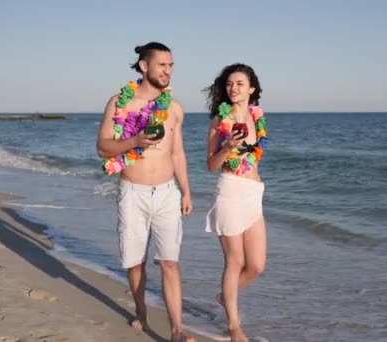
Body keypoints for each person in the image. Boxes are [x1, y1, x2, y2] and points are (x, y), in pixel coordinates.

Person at [96, 42, 195, 342]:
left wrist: (186, 191)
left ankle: (177, 330)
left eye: (171, 65)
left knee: (169, 261)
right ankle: (141, 311)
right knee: (135, 262)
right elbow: (103, 148)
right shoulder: (119, 103)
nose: (168, 70)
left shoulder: (175, 108)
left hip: (167, 193)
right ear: (144, 66)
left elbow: (177, 154)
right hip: (132, 192)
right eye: (162, 64)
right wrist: (136, 140)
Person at [204, 63, 268, 342]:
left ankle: (224, 297)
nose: (233, 88)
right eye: (230, 84)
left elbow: (253, 157)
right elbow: (210, 165)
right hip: (229, 191)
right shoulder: (220, 122)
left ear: (251, 89)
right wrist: (228, 146)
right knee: (235, 261)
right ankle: (233, 326)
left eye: (240, 83)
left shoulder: (256, 117)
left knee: (256, 266)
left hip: (254, 194)